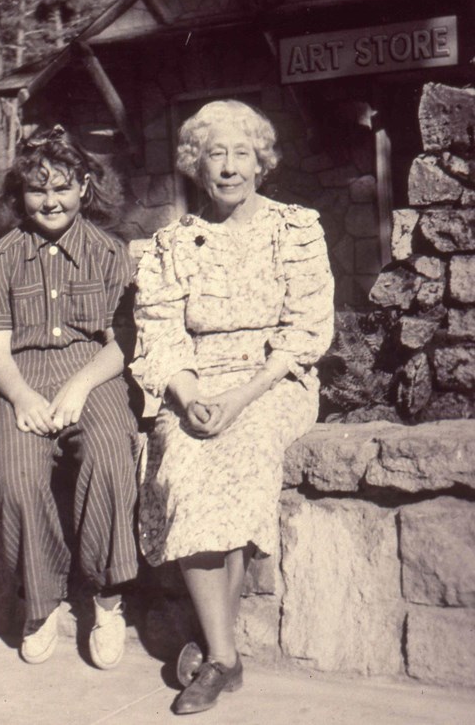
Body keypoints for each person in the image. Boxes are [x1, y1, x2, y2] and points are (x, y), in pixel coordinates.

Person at [132, 100, 334, 715]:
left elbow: (306, 329)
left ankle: (216, 658)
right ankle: (226, 655)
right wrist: (189, 397)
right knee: (185, 467)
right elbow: (160, 331)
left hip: (273, 381)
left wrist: (240, 398)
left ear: (260, 162)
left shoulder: (295, 228)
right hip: (195, 385)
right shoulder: (173, 243)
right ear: (196, 164)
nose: (227, 168)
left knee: (243, 453)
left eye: (240, 153)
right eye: (214, 154)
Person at [0, 124, 139, 669]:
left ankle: (107, 598)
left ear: (85, 187)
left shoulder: (110, 252)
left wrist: (79, 385)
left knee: (111, 456)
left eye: (62, 187)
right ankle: (41, 604)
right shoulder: (1, 257)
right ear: (19, 195)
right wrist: (21, 399)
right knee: (17, 480)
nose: (50, 201)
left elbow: (123, 344)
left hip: (93, 374)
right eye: (37, 189)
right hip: (23, 378)